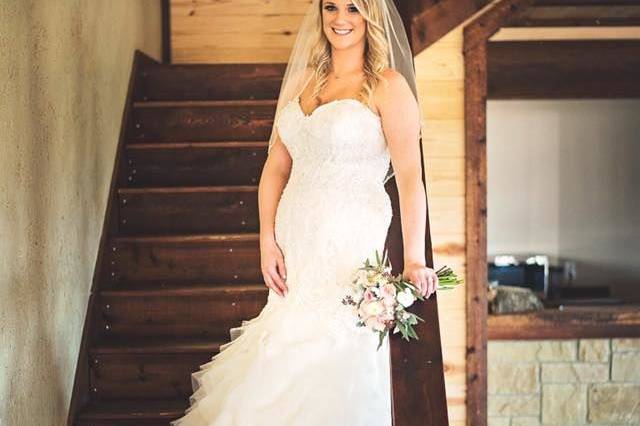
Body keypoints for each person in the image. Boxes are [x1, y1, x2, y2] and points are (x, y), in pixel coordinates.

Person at [171, 1, 439, 424]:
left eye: (353, 7)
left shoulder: (388, 86)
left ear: (369, 16)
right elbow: (275, 167)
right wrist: (266, 238)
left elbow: (409, 179)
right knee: (283, 340)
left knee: (331, 346)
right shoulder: (302, 81)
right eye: (330, 6)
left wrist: (415, 259)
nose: (340, 18)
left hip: (349, 243)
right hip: (295, 243)